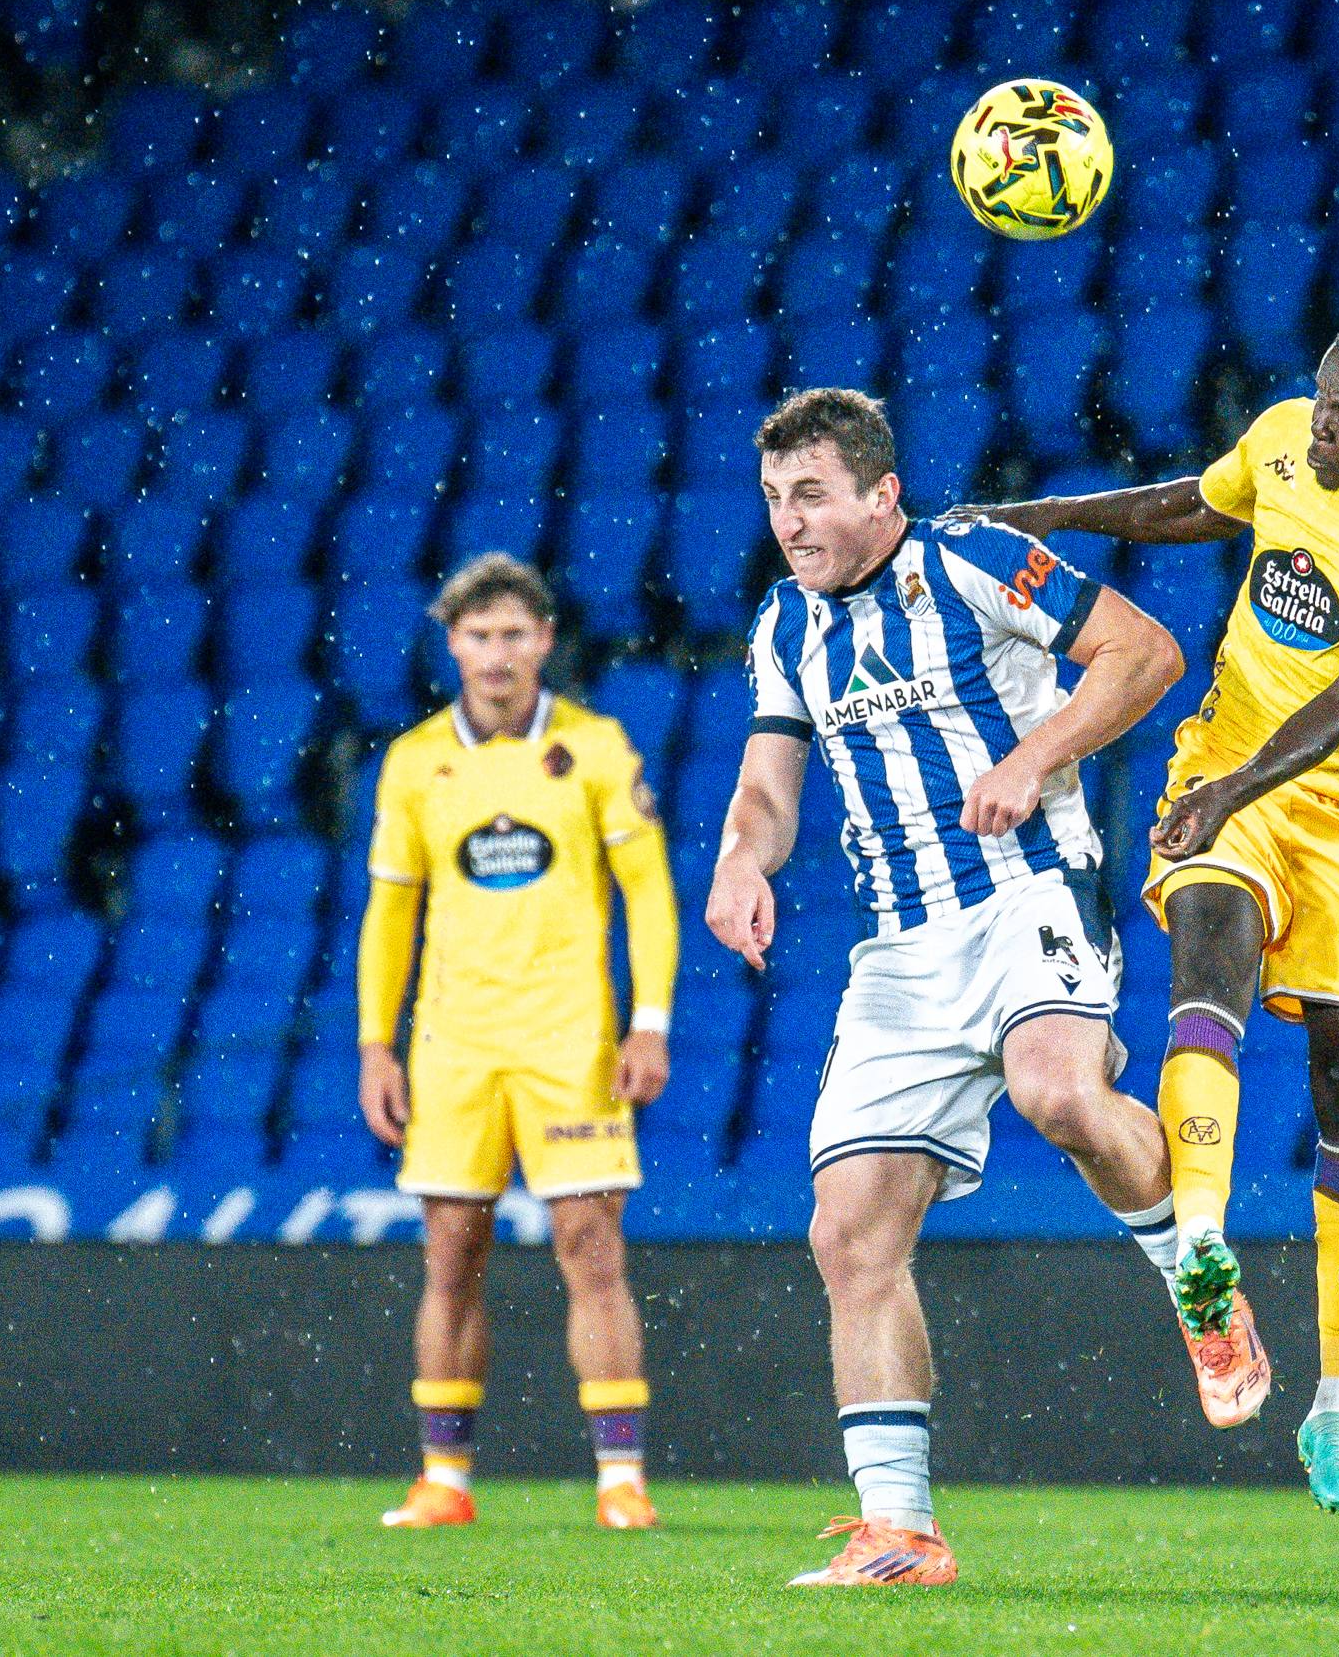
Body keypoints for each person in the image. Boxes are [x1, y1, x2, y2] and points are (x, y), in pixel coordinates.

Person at [973, 309, 1339, 1518]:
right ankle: (1198, 1245)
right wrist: (1039, 523)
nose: (1320, 423)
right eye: (1318, 395)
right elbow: (1192, 504)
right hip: (1231, 762)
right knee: (1211, 950)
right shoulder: (1284, 441)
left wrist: (1231, 790)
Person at [705, 388, 1227, 1588]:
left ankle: (1190, 1270)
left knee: (1057, 1092)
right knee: (847, 1235)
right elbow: (769, 787)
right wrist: (741, 858)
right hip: (898, 947)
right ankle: (900, 1530)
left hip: (1031, 887)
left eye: (814, 494)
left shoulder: (976, 558)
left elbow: (1144, 652)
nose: (790, 520)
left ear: (881, 495)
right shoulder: (783, 627)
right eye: (777, 497)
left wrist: (1033, 757)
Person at [356, 553, 680, 1533]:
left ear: (544, 639)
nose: (496, 652)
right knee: (451, 1252)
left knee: (591, 1246)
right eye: (478, 634)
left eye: (513, 633)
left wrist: (649, 1021)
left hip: (568, 1041)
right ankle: (443, 1479)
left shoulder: (594, 746)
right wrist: (377, 1044)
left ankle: (620, 1480)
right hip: (453, 1043)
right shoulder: (415, 759)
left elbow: (649, 893)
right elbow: (389, 912)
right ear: (452, 643)